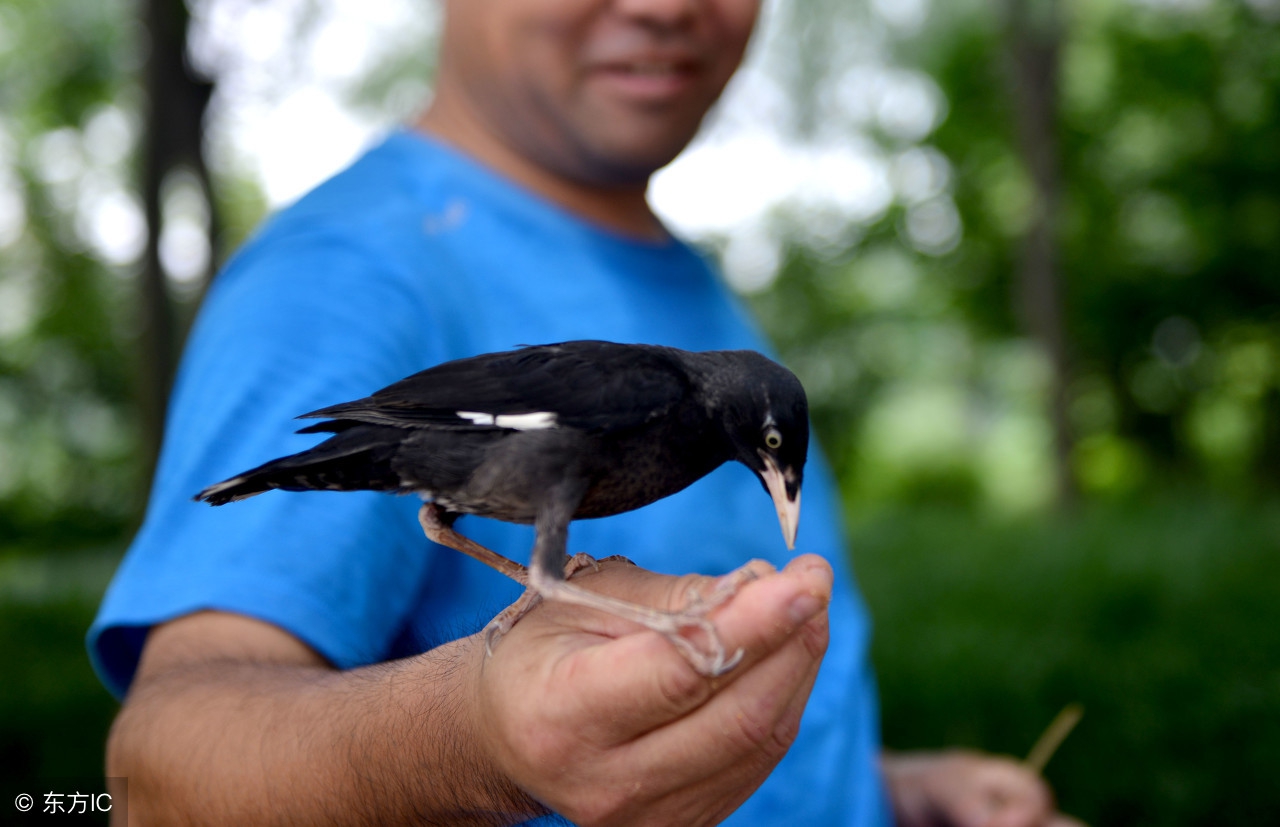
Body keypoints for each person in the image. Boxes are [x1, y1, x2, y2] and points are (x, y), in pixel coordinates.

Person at [91, 1, 1081, 825]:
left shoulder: (693, 299)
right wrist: (477, 736)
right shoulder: (347, 279)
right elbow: (159, 776)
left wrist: (888, 793)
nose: (664, 5)